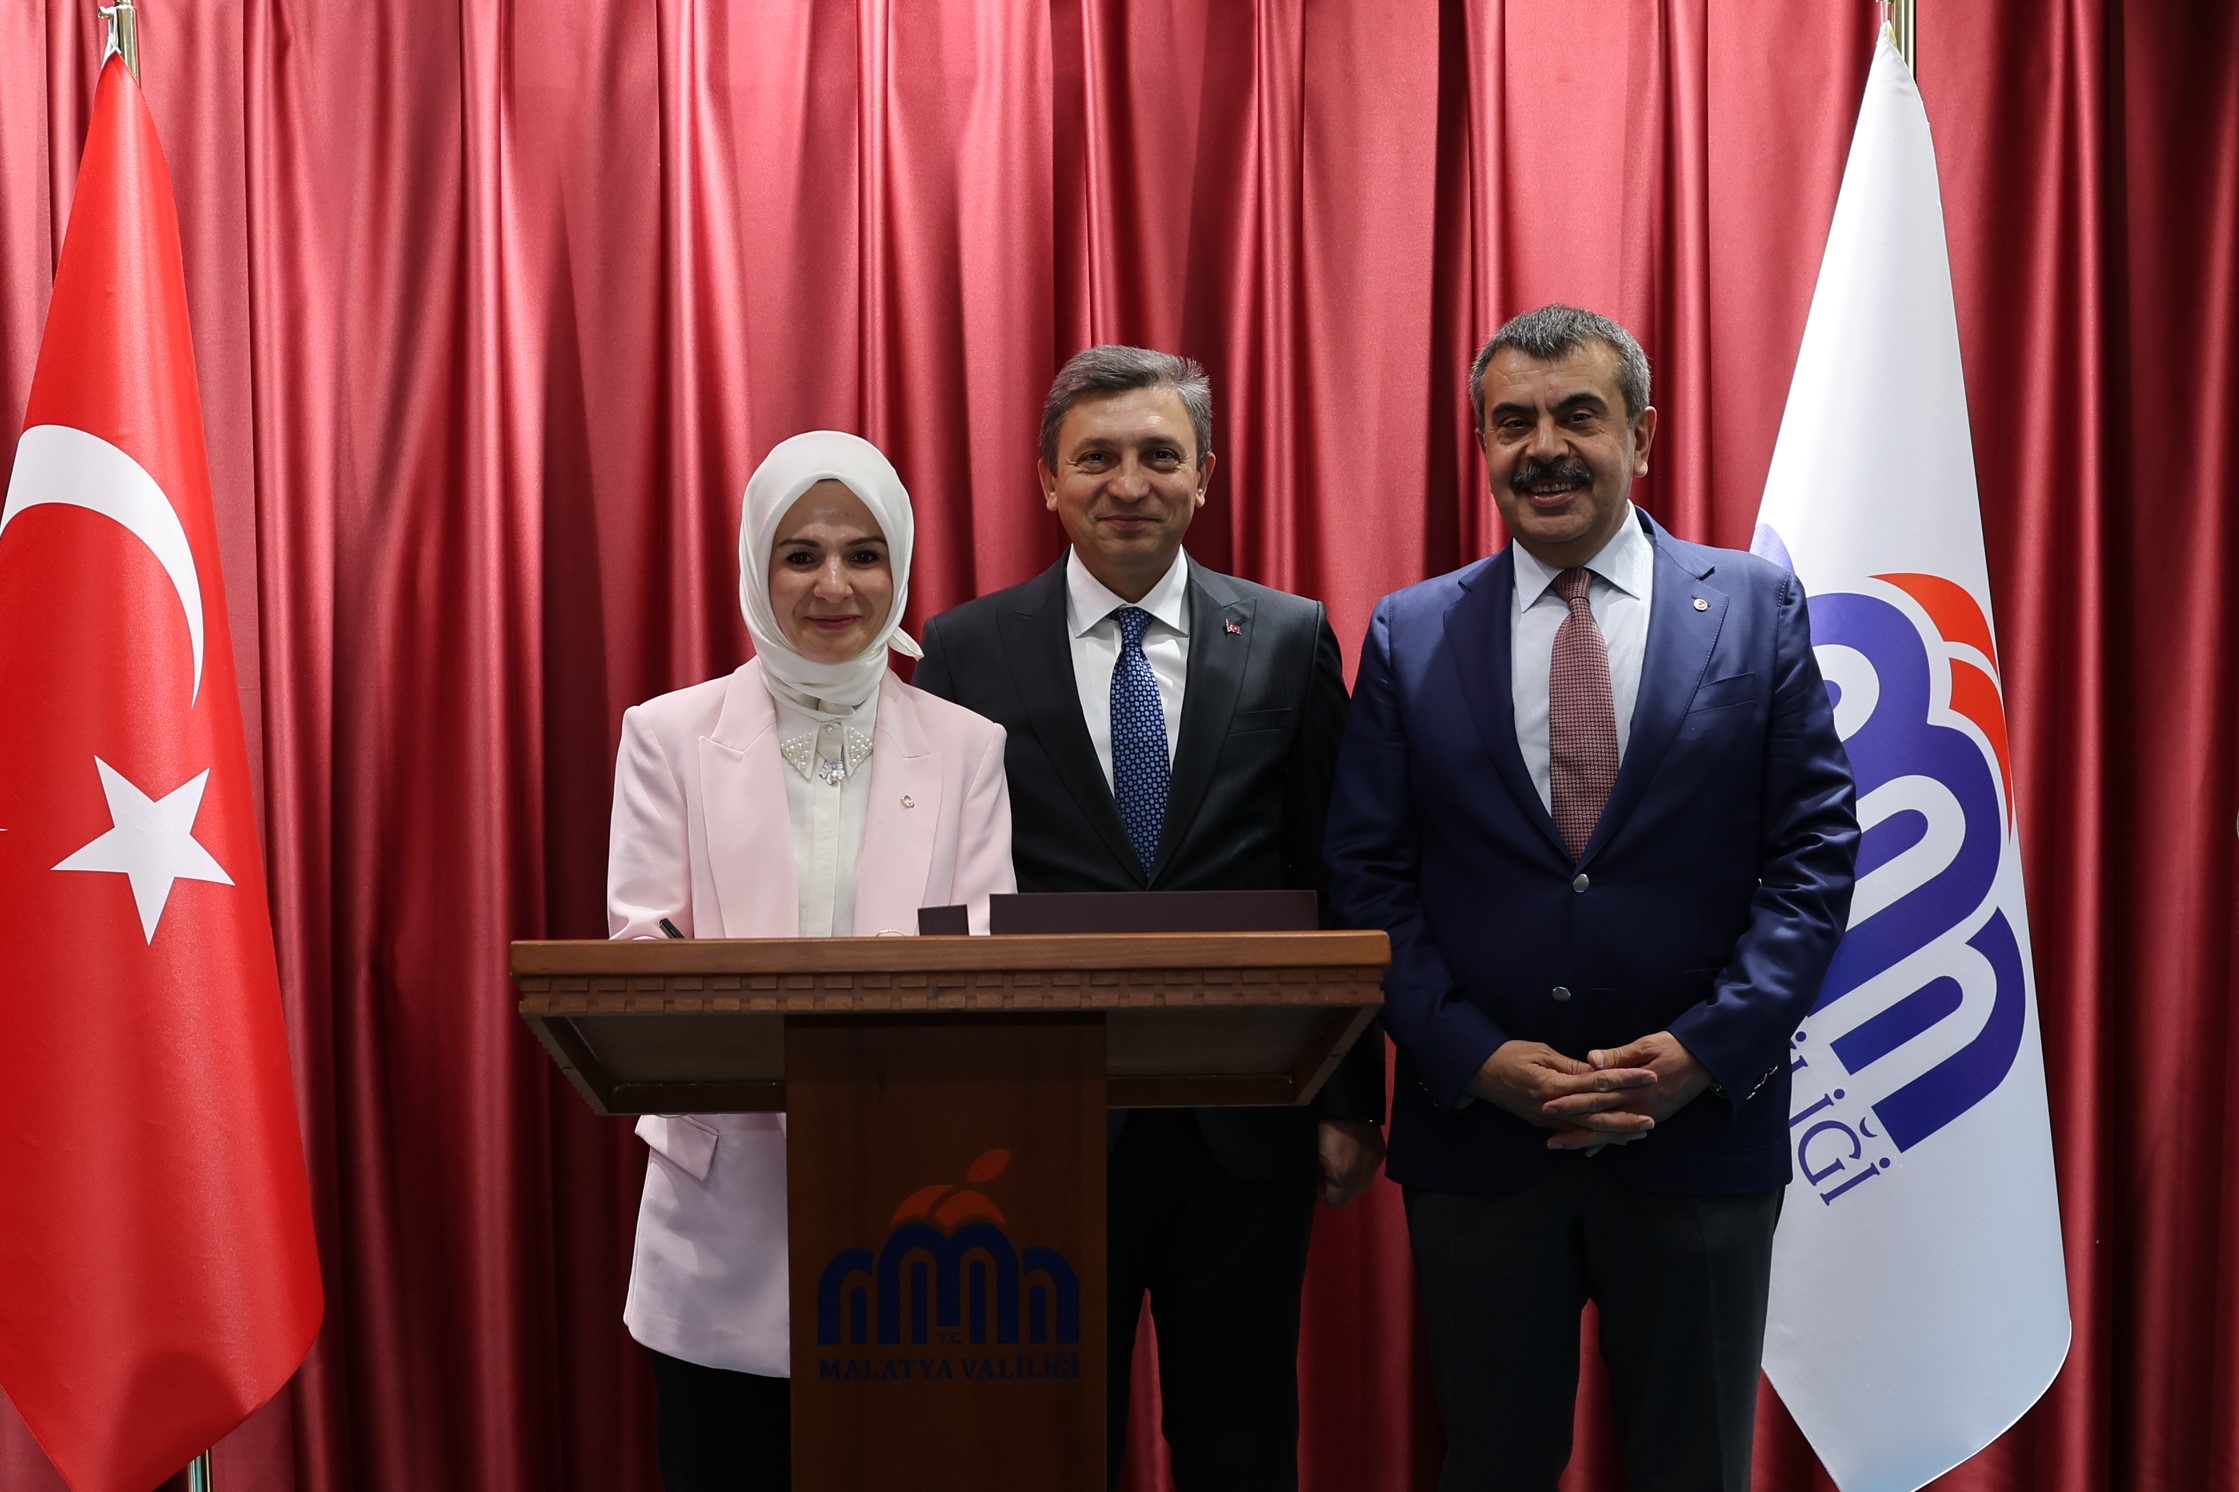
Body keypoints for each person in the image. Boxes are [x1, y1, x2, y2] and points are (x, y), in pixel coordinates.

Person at [1324, 305, 1860, 1492]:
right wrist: (1473, 1058)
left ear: (1642, 435)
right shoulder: (1411, 631)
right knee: (1493, 1466)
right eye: (1512, 422)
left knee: (1693, 1466)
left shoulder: (1756, 606)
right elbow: (1366, 879)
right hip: (1482, 1145)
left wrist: (1702, 1051)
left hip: (1697, 1139)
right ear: (1481, 442)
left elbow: (1814, 852)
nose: (1544, 448)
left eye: (1578, 415)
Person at [913, 345, 1386, 1492]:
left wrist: (1347, 1098)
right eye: (1096, 458)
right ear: (1047, 478)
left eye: (1159, 455)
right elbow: (937, 881)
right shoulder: (965, 648)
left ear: (1205, 474)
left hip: (1248, 1121)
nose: (1128, 483)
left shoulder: (1287, 636)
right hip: (1041, 1119)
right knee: (1049, 1445)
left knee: (1241, 1440)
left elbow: (1337, 871)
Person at [605, 431, 1015, 1492]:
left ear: (901, 565)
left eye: (864, 554)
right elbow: (643, 955)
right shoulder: (667, 733)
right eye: (800, 554)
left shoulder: (968, 746)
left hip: (909, 1199)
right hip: (724, 1202)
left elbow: (980, 963)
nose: (834, 585)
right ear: (755, 564)